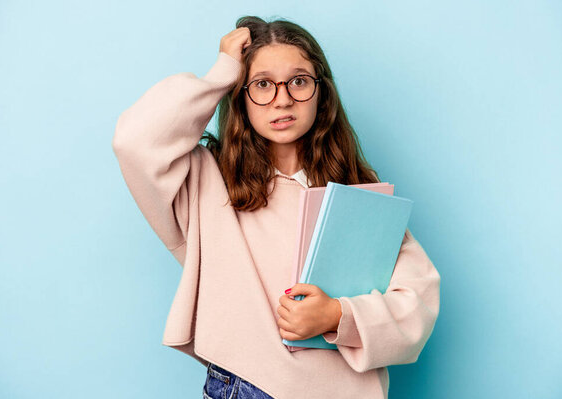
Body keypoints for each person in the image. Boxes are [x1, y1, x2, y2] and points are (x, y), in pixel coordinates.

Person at [112, 15, 440, 399]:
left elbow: (417, 301)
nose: (282, 98)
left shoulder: (357, 191)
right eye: (263, 84)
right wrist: (223, 71)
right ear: (241, 95)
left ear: (321, 93)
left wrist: (338, 315)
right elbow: (134, 140)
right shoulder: (206, 181)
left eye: (299, 81)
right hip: (250, 386)